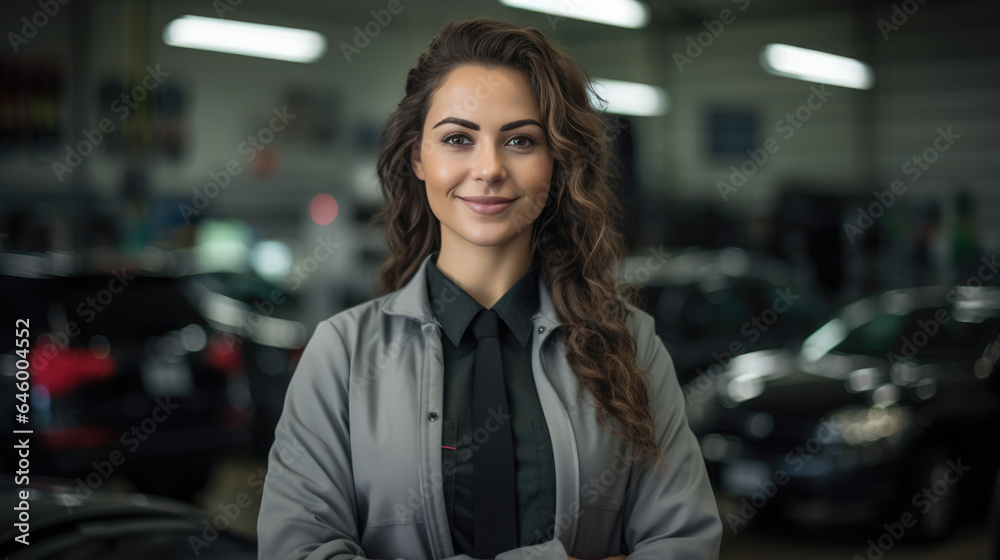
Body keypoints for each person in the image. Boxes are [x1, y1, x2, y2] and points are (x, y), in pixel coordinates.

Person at [257, 17, 722, 560]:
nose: (489, 169)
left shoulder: (632, 346)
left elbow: (682, 545)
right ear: (417, 157)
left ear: (557, 163)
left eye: (521, 140)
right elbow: (299, 551)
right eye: (458, 138)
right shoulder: (341, 354)